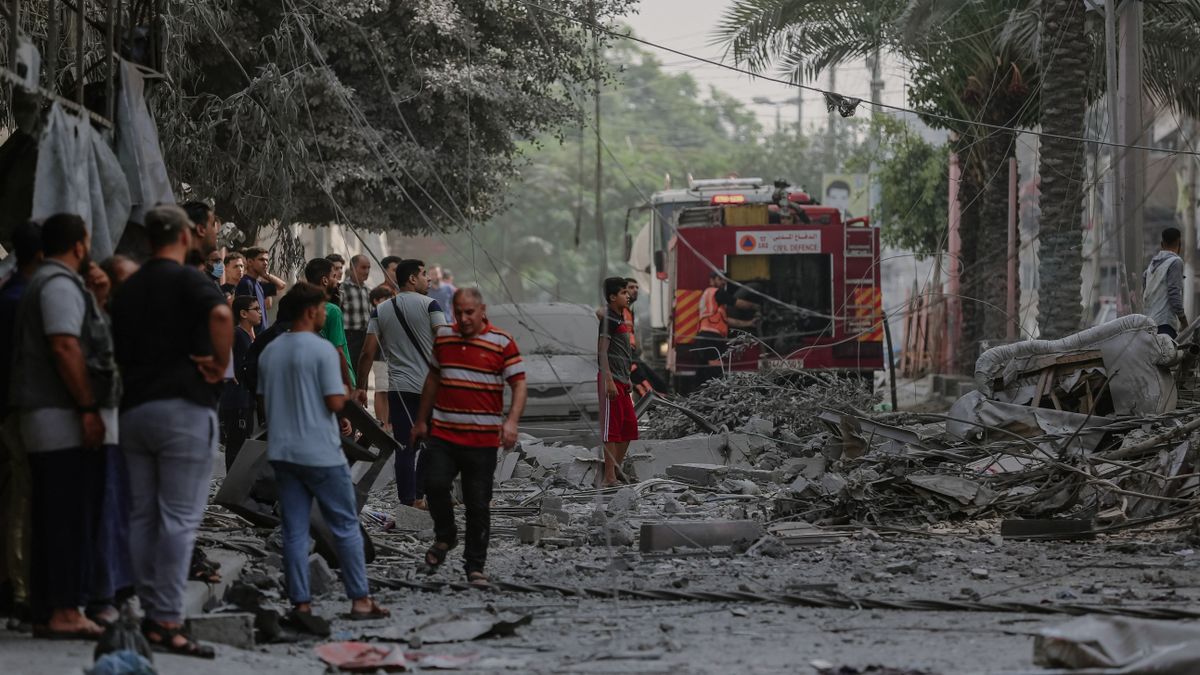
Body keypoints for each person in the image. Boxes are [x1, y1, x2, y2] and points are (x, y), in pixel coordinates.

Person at [110, 204, 232, 659]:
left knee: (142, 515)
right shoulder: (189, 279)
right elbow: (221, 317)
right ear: (183, 235)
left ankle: (147, 610)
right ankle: (165, 620)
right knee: (179, 518)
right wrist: (219, 366)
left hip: (135, 410)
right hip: (183, 408)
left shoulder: (130, 283)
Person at [10, 214, 120, 640]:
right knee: (66, 517)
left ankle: (51, 609)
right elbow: (64, 344)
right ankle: (63, 610)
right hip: (61, 419)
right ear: (79, 245)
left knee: (60, 514)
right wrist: (88, 408)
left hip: (57, 417)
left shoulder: (62, 283)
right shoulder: (58, 284)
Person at [258, 283, 389, 631]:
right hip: (320, 452)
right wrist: (345, 391)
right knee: (344, 525)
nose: (324, 313)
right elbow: (335, 402)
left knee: (295, 529)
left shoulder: (270, 351)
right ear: (309, 311)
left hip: (283, 452)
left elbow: (267, 399)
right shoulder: (321, 351)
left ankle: (301, 602)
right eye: (321, 308)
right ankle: (360, 599)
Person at [411, 288, 526, 587]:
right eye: (458, 312)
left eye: (469, 312)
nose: (463, 319)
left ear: (482, 310)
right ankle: (446, 536)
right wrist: (421, 420)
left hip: (482, 441)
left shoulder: (502, 342)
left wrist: (511, 421)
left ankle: (475, 566)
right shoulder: (445, 338)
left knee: (477, 504)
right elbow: (433, 379)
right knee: (433, 485)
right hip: (444, 434)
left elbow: (519, 384)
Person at [354, 259, 447, 507]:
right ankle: (419, 494)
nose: (428, 279)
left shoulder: (381, 310)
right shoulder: (432, 305)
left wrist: (361, 386)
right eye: (424, 274)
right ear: (412, 279)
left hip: (400, 388)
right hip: (432, 388)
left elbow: (367, 351)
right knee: (434, 443)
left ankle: (410, 499)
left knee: (405, 445)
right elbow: (445, 341)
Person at [0, 221, 42, 632]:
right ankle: (19, 589)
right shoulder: (24, 298)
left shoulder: (12, 291)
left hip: (12, 408)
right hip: (18, 409)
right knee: (22, 500)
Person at [598, 277, 638, 487]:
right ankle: (608, 477)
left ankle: (616, 469)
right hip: (611, 381)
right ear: (613, 297)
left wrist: (628, 377)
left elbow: (622, 353)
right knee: (611, 431)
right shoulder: (609, 320)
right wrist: (609, 381)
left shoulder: (620, 318)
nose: (628, 295)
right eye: (623, 293)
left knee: (629, 427)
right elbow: (602, 353)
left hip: (623, 380)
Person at [220, 296, 260, 470]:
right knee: (236, 446)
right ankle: (231, 489)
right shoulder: (236, 333)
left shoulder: (247, 336)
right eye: (256, 309)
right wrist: (227, 372)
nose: (260, 313)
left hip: (246, 398)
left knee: (244, 443)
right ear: (243, 313)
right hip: (236, 399)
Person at [304, 258, 356, 387]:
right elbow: (338, 351)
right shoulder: (332, 311)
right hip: (335, 380)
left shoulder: (302, 307)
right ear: (325, 280)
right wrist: (349, 385)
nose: (337, 281)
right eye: (334, 276)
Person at [1143, 227, 1189, 338]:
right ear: (1179, 243)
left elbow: (1144, 284)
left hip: (1148, 323)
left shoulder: (1152, 265)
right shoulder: (1175, 262)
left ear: (1162, 244)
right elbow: (1174, 292)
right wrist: (1183, 320)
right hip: (1165, 324)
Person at [367, 284, 396, 429]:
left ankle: (386, 423)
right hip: (380, 358)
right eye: (386, 298)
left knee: (387, 392)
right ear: (376, 301)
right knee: (381, 391)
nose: (390, 301)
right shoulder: (376, 315)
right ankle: (382, 423)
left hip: (389, 358)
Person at [237, 247, 287, 332]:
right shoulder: (246, 283)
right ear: (249, 262)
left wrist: (265, 274)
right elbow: (246, 315)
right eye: (261, 260)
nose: (265, 263)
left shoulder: (258, 284)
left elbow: (281, 285)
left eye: (267, 260)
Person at [341, 254, 372, 369]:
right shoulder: (342, 289)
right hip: (348, 336)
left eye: (369, 268)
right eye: (363, 267)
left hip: (365, 337)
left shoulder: (368, 290)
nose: (367, 271)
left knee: (363, 368)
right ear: (352, 268)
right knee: (350, 369)